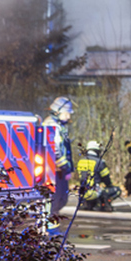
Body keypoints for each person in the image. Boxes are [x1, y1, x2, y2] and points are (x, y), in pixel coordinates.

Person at [40, 96, 75, 229]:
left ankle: (52, 229)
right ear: (58, 111)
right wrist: (65, 168)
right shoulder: (52, 125)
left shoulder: (58, 126)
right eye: (66, 113)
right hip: (53, 171)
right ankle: (51, 231)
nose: (68, 116)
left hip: (58, 171)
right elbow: (56, 151)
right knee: (54, 202)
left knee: (60, 200)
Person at [75, 141, 122, 211]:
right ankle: (104, 203)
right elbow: (107, 180)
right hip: (95, 192)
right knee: (117, 190)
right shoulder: (100, 162)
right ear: (97, 151)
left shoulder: (80, 161)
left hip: (83, 193)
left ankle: (86, 203)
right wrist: (109, 185)